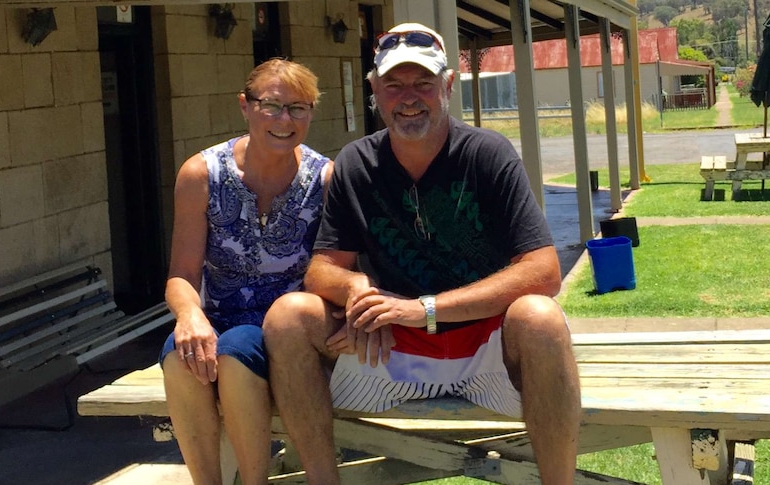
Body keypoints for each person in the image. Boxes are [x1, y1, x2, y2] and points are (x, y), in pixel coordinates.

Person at [263, 23, 581, 484]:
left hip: (485, 345)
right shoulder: (356, 163)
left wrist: (422, 310)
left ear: (448, 85)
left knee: (541, 317)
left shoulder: (488, 154)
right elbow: (322, 270)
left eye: (423, 83)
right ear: (374, 89)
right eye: (393, 84)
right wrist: (358, 292)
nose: (408, 97)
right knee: (289, 316)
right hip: (390, 348)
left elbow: (543, 271)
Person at [160, 58, 332, 485]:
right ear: (245, 105)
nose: (284, 120)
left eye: (299, 108)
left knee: (235, 350)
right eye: (272, 106)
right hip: (215, 318)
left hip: (288, 334)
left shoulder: (325, 179)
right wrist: (189, 316)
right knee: (180, 356)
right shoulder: (202, 174)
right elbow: (181, 274)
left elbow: (339, 266)